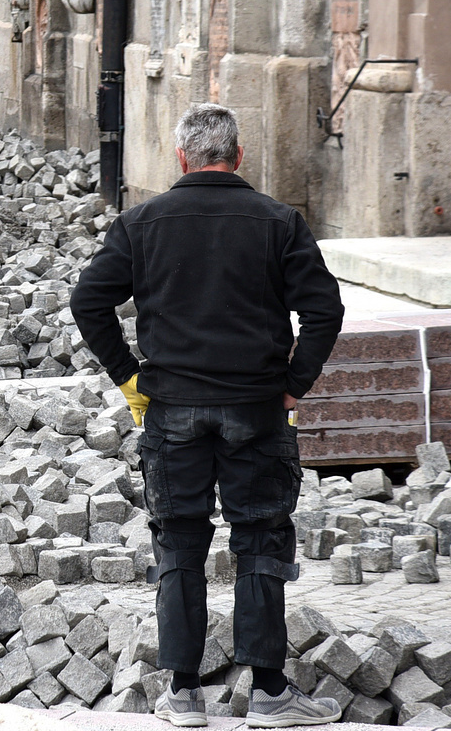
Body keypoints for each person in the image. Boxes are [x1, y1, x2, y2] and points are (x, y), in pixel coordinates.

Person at [70, 103, 345, 730]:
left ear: (182, 158)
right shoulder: (279, 222)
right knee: (260, 542)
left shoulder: (142, 223)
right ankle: (271, 693)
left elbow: (88, 301)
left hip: (173, 410)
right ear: (239, 156)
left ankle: (185, 694)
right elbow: (324, 311)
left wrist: (129, 376)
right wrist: (295, 384)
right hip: (257, 408)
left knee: (180, 544)